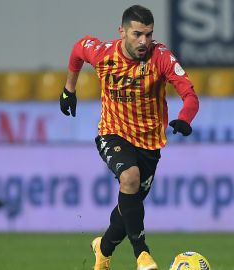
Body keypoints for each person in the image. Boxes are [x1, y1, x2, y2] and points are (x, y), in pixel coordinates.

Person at [60, 5, 199, 270]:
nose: (144, 41)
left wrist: (185, 118)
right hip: (113, 133)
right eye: (137, 34)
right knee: (130, 178)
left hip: (150, 144)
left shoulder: (162, 58)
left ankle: (104, 249)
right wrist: (69, 89)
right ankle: (142, 254)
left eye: (148, 34)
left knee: (128, 208)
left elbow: (190, 94)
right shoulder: (103, 54)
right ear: (122, 32)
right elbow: (79, 48)